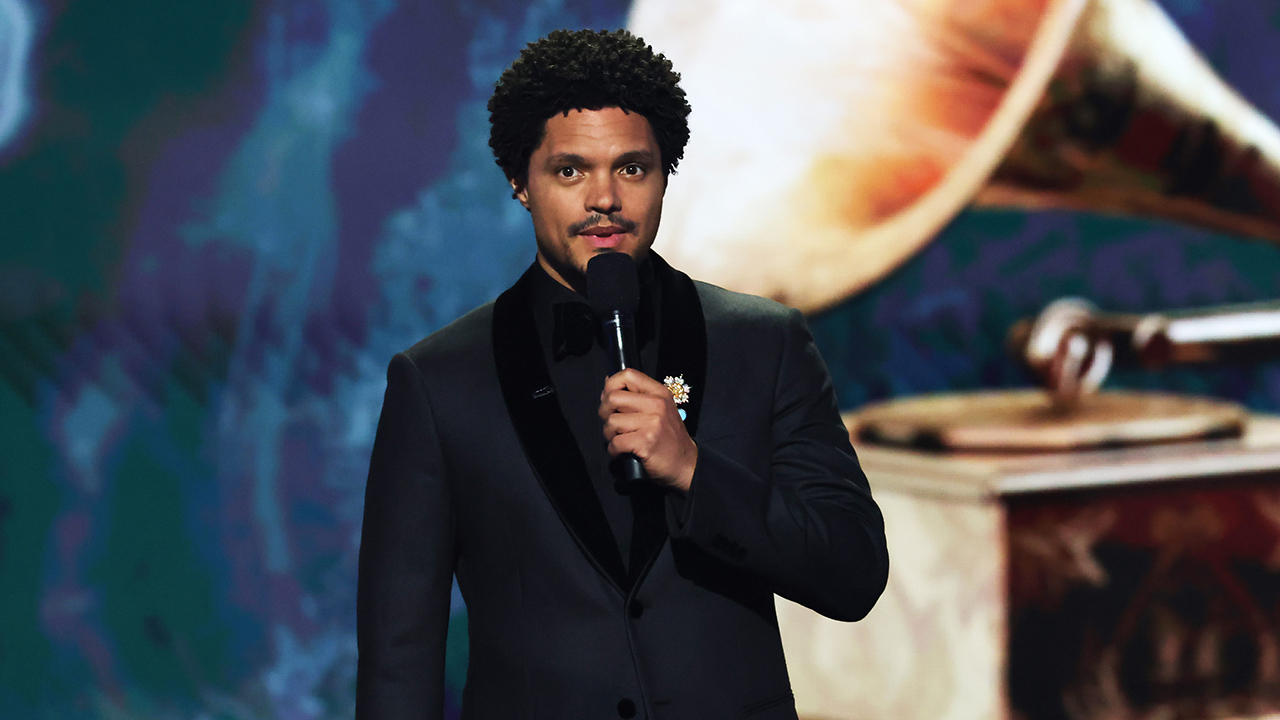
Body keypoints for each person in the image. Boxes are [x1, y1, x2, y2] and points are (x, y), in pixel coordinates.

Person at [356, 28, 889, 720]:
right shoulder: (437, 382)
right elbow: (399, 657)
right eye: (570, 170)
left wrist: (696, 472)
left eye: (632, 168)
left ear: (666, 174)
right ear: (521, 182)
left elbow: (852, 574)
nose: (604, 197)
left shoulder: (764, 344)